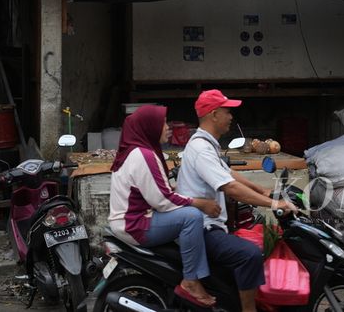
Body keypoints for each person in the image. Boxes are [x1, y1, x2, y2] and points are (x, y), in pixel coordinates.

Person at [176, 90, 298, 312]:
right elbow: (230, 187)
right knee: (249, 255)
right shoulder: (201, 149)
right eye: (227, 111)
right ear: (213, 114)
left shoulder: (206, 144)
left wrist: (263, 190)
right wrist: (273, 205)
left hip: (210, 224)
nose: (231, 116)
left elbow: (229, 174)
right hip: (204, 228)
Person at [108, 105, 222, 308]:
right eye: (162, 123)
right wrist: (200, 203)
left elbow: (158, 191)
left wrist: (186, 194)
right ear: (149, 126)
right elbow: (163, 200)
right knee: (191, 217)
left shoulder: (137, 151)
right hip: (135, 224)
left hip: (130, 221)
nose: (168, 127)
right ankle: (191, 281)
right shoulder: (143, 155)